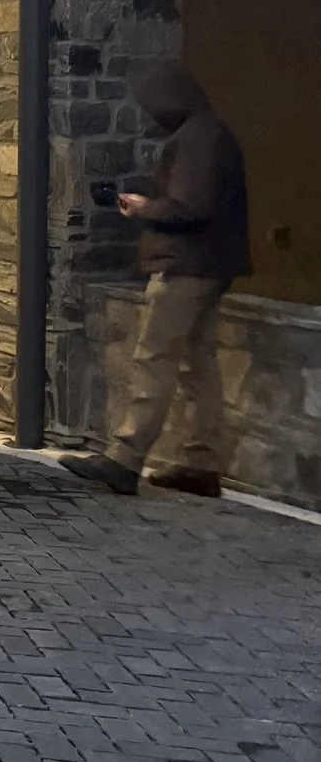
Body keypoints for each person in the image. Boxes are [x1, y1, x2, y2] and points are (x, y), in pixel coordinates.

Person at [63, 63, 251, 498]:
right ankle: (200, 463)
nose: (152, 115)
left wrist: (145, 208)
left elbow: (191, 206)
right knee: (197, 364)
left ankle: (126, 457)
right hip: (210, 264)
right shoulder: (210, 133)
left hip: (186, 265)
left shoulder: (197, 139)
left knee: (156, 358)